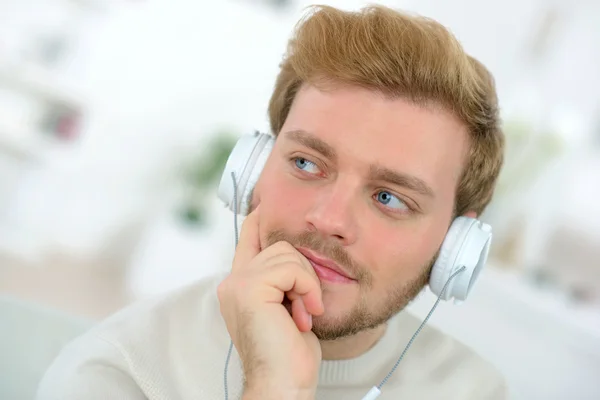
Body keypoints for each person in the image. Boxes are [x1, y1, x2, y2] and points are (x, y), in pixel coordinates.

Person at [37, 4, 506, 400]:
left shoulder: (476, 390)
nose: (327, 219)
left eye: (389, 198)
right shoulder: (116, 376)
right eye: (306, 164)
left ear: (455, 245)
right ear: (251, 170)